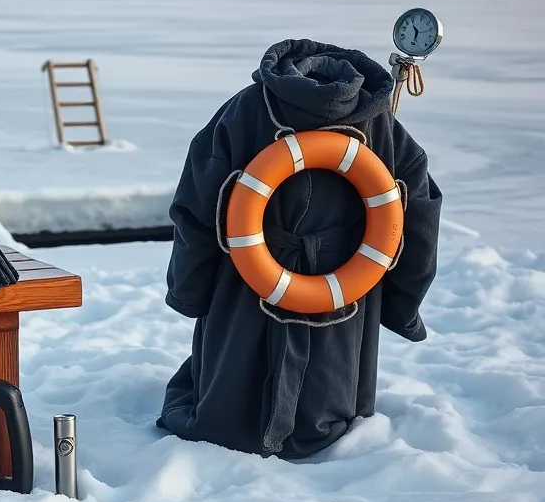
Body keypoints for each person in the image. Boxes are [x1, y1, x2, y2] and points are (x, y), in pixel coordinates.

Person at [158, 39, 443, 458]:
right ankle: (325, 420)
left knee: (230, 391)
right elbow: (418, 218)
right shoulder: (383, 126)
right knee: (333, 386)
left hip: (245, 283)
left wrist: (189, 289)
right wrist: (402, 304)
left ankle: (232, 414)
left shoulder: (245, 111)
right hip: (348, 289)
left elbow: (195, 209)